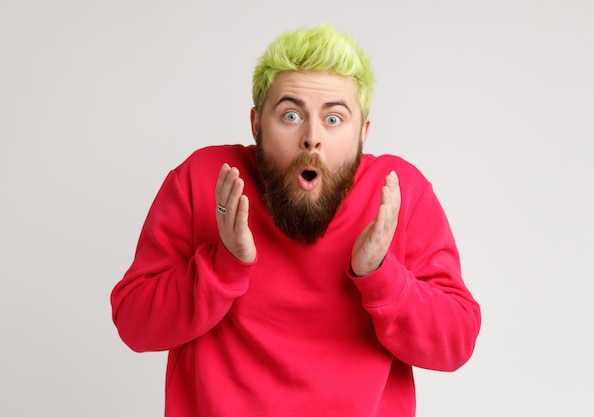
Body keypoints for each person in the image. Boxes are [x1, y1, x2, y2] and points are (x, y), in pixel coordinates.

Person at [110, 22, 481, 417]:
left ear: (363, 134)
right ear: (256, 125)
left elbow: (455, 344)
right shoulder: (206, 181)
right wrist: (223, 264)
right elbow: (134, 323)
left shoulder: (399, 192)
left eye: (334, 119)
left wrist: (380, 273)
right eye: (290, 115)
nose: (312, 137)